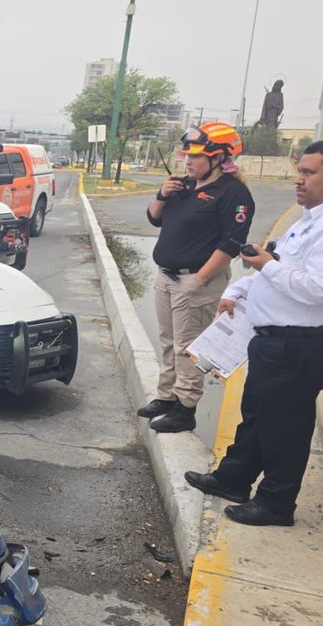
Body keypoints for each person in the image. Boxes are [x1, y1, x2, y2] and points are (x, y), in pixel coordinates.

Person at [185, 139, 323, 527]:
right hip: (278, 339)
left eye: (308, 173)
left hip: (303, 343)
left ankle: (276, 502)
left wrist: (268, 265)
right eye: (299, 171)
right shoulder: (316, 217)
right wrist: (241, 290)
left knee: (285, 424)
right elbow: (286, 266)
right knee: (258, 414)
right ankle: (234, 478)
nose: (298, 180)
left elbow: (322, 289)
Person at [136, 122, 255, 433]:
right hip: (166, 277)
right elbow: (154, 218)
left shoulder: (233, 194)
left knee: (188, 347)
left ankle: (185, 408)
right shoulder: (184, 185)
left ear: (218, 158)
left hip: (196, 282)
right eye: (187, 154)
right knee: (167, 341)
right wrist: (162, 193)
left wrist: (200, 280)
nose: (188, 160)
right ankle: (166, 396)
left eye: (197, 156)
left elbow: (230, 244)